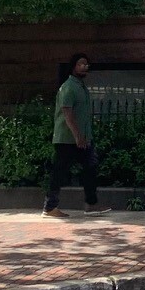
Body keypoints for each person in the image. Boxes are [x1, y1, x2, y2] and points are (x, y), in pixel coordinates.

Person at [44, 53, 108, 218]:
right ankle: (50, 208)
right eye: (81, 64)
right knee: (60, 172)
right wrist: (78, 136)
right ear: (73, 67)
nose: (85, 66)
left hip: (83, 138)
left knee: (90, 168)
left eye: (86, 64)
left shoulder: (81, 87)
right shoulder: (69, 87)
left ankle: (91, 205)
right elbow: (67, 114)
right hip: (67, 139)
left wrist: (84, 136)